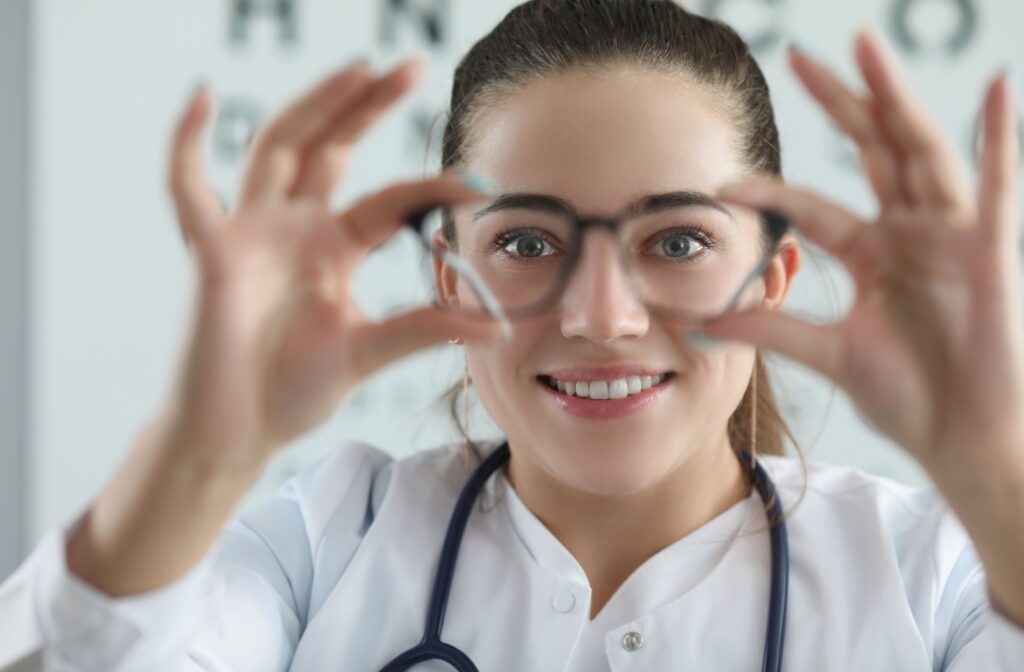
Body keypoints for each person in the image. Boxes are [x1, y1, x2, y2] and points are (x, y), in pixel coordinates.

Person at [1, 1, 1022, 669]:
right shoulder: (329, 542)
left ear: (775, 272)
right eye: (528, 240)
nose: (599, 315)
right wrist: (199, 450)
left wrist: (995, 467)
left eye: (676, 240)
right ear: (449, 275)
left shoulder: (930, 579)